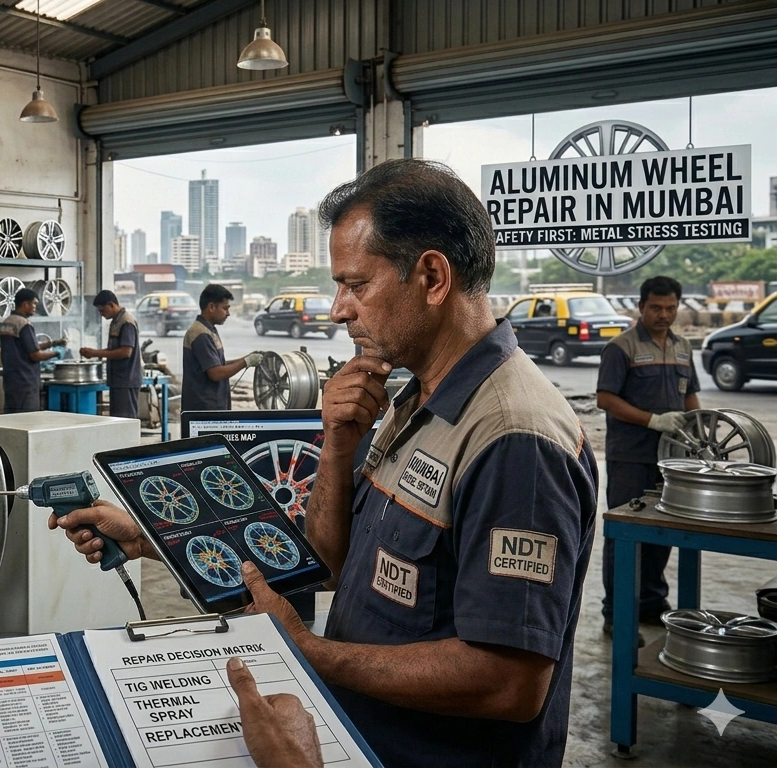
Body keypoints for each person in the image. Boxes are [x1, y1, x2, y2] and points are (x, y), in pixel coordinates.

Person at [52, 159, 597, 768]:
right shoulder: (414, 399)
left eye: (356, 284)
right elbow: (329, 563)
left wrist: (308, 650)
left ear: (433, 277)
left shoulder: (513, 438)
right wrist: (160, 535)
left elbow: (509, 683)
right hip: (359, 738)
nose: (339, 310)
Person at [596, 275, 699, 633]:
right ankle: (617, 612)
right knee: (624, 535)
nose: (664, 314)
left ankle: (651, 604)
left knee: (664, 532)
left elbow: (690, 398)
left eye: (671, 307)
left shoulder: (683, 347)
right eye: (656, 307)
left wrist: (699, 434)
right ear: (641, 307)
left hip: (672, 460)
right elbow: (605, 399)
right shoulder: (620, 348)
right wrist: (653, 420)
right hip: (631, 458)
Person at [182, 284, 263, 411]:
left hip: (212, 407)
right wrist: (245, 362)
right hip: (203, 410)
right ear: (211, 307)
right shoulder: (200, 334)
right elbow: (215, 373)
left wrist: (246, 358)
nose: (228, 313)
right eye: (225, 308)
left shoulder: (209, 330)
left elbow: (217, 364)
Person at [0, 287, 63, 413]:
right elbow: (35, 355)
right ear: (25, 304)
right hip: (26, 382)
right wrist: (56, 353)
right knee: (27, 420)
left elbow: (28, 346)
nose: (35, 307)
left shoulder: (8, 322)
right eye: (34, 303)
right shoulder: (24, 324)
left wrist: (54, 343)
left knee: (12, 420)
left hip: (11, 381)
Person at [80, 290, 140, 419]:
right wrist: (95, 353)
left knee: (125, 420)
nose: (101, 314)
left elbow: (125, 352)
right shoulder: (116, 322)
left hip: (126, 380)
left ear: (111, 305)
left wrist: (95, 353)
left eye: (102, 310)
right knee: (117, 420)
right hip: (118, 380)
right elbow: (114, 349)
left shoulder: (126, 322)